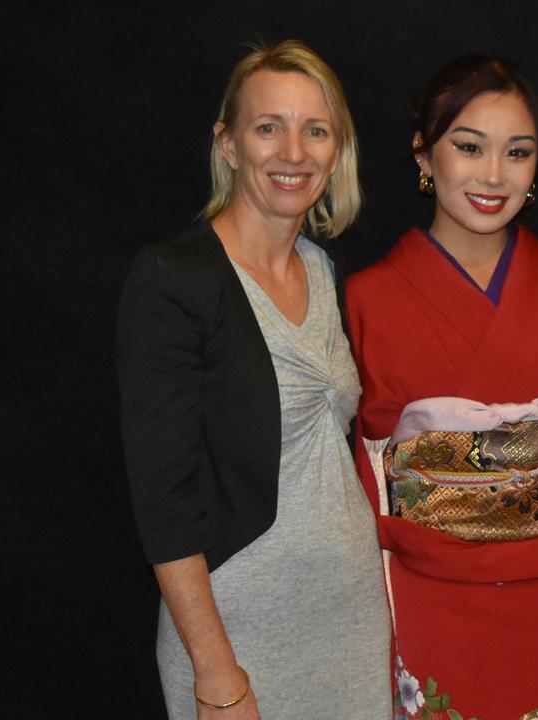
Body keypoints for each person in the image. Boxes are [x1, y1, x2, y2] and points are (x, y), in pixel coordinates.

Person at [346, 56, 538, 720]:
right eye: (468, 147)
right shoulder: (365, 299)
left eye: (518, 152)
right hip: (428, 597)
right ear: (424, 153)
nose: (493, 175)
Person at [116, 40, 389, 719]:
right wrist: (218, 674)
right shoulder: (174, 279)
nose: (293, 152)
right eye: (268, 127)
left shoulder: (326, 272)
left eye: (315, 130)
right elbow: (163, 498)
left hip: (351, 623)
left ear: (337, 150)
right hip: (238, 636)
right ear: (229, 143)